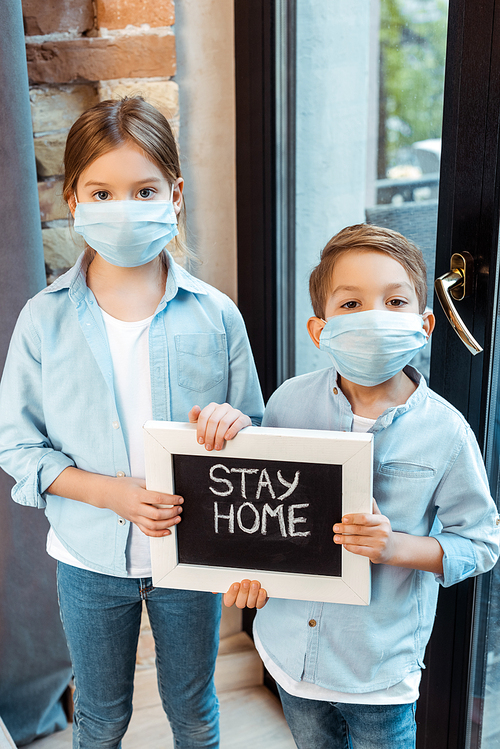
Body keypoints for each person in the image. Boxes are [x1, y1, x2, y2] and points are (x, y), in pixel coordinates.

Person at [0, 97, 264, 748]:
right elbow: (17, 442)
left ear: (174, 194)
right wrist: (111, 492)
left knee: (195, 709)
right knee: (101, 716)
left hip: (191, 558)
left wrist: (237, 424)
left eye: (143, 189)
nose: (123, 205)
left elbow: (255, 432)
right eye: (103, 191)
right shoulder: (44, 319)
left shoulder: (217, 315)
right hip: (88, 558)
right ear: (73, 198)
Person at [224, 224, 500, 749]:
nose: (374, 317)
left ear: (424, 324)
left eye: (394, 301)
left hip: (378, 671)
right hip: (287, 653)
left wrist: (394, 546)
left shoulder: (446, 433)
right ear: (319, 329)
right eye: (351, 303)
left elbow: (481, 543)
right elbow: (263, 513)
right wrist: (250, 570)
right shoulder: (287, 405)